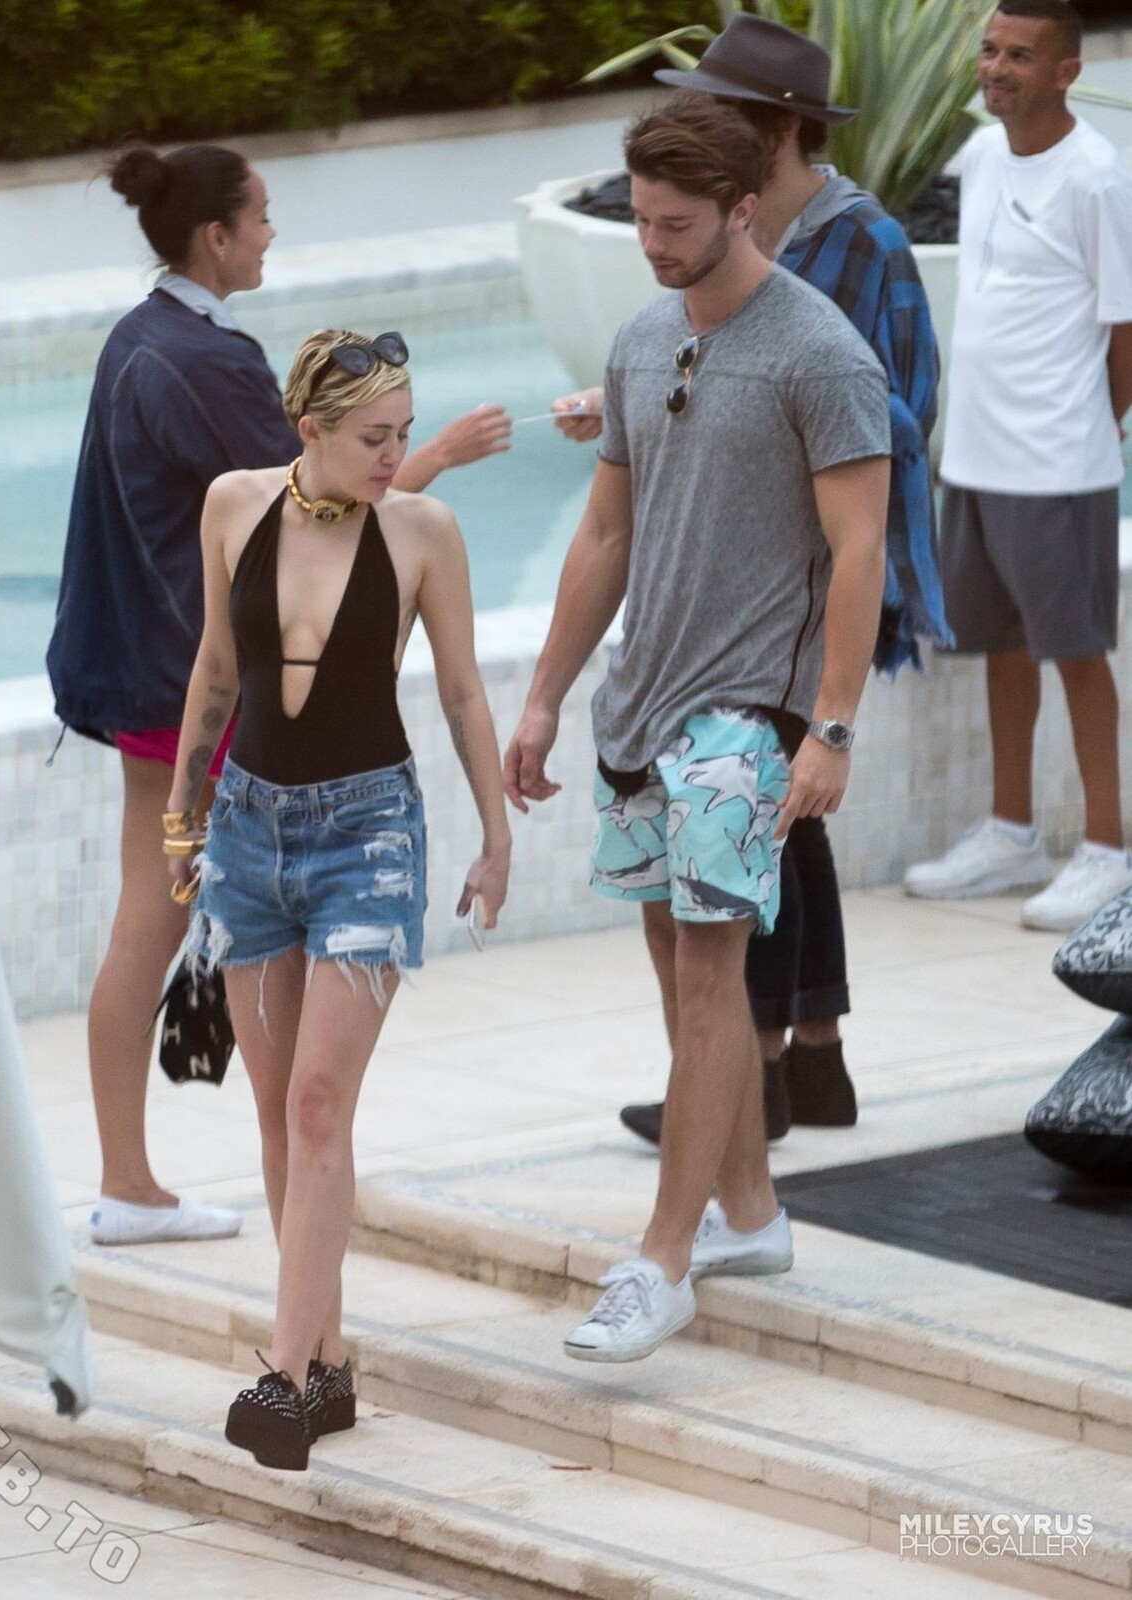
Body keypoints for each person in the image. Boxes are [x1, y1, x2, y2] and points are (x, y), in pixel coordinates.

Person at [47, 144, 512, 1248]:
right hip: (193, 680)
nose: (270, 234)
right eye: (259, 218)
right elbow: (318, 519)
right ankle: (149, 1183)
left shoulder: (140, 334)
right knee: (156, 919)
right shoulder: (204, 361)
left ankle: (129, 1179)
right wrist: (438, 455)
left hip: (133, 666)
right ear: (214, 237)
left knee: (147, 913)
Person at [505, 98, 889, 1361]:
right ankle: (749, 1212)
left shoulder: (821, 353)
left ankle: (661, 1260)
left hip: (748, 714)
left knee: (716, 974)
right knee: (680, 971)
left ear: (742, 208)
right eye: (641, 221)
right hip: (642, 702)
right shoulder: (639, 337)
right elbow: (605, 532)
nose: (653, 244)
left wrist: (830, 726)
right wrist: (547, 693)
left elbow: (858, 550)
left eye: (676, 225)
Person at [555, 15, 945, 1144]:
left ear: (774, 130)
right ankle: (806, 1060)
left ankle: (754, 1080)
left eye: (719, 107)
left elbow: (899, 411)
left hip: (819, 578)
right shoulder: (713, 233)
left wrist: (773, 420)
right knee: (783, 825)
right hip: (749, 577)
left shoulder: (860, 241)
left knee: (763, 817)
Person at [164, 327, 510, 1468]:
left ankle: (283, 1375)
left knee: (318, 1103)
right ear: (307, 428)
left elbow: (461, 692)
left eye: (404, 434)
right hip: (248, 834)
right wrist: (182, 817)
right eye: (374, 437)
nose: (395, 455)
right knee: (279, 1115)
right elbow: (217, 669)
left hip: (370, 837)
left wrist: (496, 834)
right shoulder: (233, 506)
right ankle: (329, 1361)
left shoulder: (423, 531)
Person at [905, 0, 1132, 931]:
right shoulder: (983, 156)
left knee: (1074, 651)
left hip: (1056, 465)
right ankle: (1011, 834)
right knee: (1000, 644)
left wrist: (1093, 429)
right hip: (975, 457)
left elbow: (1126, 329)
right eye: (990, 50)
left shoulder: (1097, 178)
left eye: (1020, 56)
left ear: (1067, 71)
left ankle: (1108, 852)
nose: (996, 67)